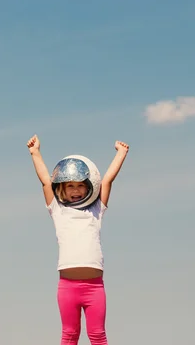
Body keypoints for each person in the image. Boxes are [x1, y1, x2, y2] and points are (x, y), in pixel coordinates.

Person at [26, 134, 129, 345]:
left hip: (94, 287)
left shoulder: (96, 210)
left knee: (98, 335)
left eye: (80, 186)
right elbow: (46, 181)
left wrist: (121, 153)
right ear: (62, 189)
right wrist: (35, 152)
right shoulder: (58, 210)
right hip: (67, 286)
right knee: (70, 334)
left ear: (89, 186)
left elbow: (107, 180)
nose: (75, 190)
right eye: (70, 186)